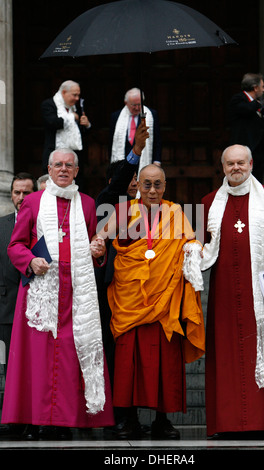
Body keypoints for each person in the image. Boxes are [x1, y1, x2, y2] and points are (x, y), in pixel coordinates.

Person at [1, 149, 114, 440]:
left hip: (76, 293)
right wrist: (30, 261)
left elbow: (95, 245)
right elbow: (16, 245)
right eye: (58, 165)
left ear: (76, 171)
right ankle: (39, 420)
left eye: (69, 165)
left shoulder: (87, 204)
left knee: (70, 359)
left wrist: (99, 252)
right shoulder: (33, 202)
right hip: (43, 292)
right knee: (38, 360)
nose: (63, 169)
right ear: (49, 170)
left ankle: (66, 420)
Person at [92, 164, 205, 440]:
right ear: (137, 185)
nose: (152, 190)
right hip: (129, 300)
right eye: (147, 184)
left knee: (165, 364)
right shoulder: (122, 211)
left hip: (164, 299)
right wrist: (97, 246)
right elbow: (100, 239)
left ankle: (162, 421)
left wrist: (194, 249)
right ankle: (128, 419)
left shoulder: (176, 212)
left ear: (165, 186)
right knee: (128, 363)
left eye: (157, 184)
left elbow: (192, 243)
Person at [200, 144, 264, 438]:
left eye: (241, 163)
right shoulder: (207, 202)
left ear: (252, 163)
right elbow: (194, 247)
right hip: (224, 298)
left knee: (263, 352)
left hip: (263, 296)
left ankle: (262, 421)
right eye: (230, 164)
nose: (236, 168)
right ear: (223, 167)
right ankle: (227, 423)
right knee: (225, 358)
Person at [94, 123, 149, 431]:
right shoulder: (108, 201)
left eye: (135, 179)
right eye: (127, 178)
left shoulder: (146, 207)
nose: (132, 183)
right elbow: (116, 186)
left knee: (136, 357)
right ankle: (115, 417)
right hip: (112, 292)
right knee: (116, 355)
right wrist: (136, 152)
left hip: (141, 294)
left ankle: (133, 415)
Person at [0, 173, 37, 439]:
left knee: (32, 369)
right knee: (9, 370)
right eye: (17, 193)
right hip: (5, 308)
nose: (22, 198)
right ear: (11, 195)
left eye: (26, 192)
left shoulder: (42, 224)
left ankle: (33, 420)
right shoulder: (0, 226)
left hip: (36, 307)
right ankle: (10, 419)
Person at [41, 80, 91, 189]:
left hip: (74, 158)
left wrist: (86, 125)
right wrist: (71, 117)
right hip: (54, 154)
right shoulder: (49, 105)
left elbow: (81, 134)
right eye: (74, 95)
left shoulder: (75, 108)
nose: (77, 98)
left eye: (78, 95)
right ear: (64, 92)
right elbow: (52, 123)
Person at [228, 73, 264, 183]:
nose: (263, 90)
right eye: (262, 87)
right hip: (243, 153)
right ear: (255, 87)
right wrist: (256, 104)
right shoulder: (238, 99)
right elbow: (245, 110)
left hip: (258, 154)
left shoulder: (257, 103)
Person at [109, 88, 161, 171]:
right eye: (134, 105)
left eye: (139, 104)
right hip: (123, 159)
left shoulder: (151, 115)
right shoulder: (116, 116)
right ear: (126, 103)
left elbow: (157, 140)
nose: (137, 108)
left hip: (143, 160)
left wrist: (157, 161)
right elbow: (111, 142)